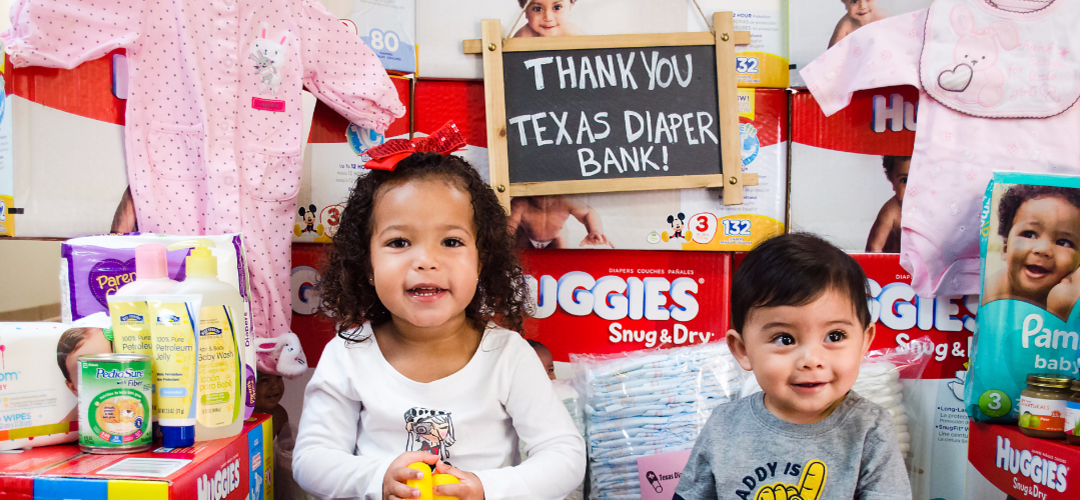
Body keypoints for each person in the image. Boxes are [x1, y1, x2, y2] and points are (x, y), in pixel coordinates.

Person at [292, 152, 586, 500]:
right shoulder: (348, 354)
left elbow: (564, 455)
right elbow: (311, 459)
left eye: (451, 242)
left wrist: (488, 489)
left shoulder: (508, 356)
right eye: (399, 242)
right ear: (366, 264)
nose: (426, 261)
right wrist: (378, 478)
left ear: (481, 261)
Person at [674, 233, 910, 500]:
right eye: (784, 339)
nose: (811, 360)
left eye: (834, 336)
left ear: (864, 341)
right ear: (742, 350)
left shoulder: (870, 428)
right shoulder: (724, 425)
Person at [981, 185, 1080, 314]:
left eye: (1063, 242)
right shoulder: (990, 295)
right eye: (1029, 234)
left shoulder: (1072, 296)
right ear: (1005, 248)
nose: (1043, 249)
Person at [508, 195, 614, 249]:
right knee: (520, 262)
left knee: (559, 262)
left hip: (556, 237)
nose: (544, 199)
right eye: (539, 194)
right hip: (527, 236)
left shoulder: (566, 200)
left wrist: (595, 230)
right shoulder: (520, 203)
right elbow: (508, 228)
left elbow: (588, 213)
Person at [56, 327, 114, 422]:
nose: (102, 377)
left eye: (109, 366)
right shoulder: (66, 426)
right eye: (88, 373)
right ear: (73, 388)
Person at [865, 156, 910, 253]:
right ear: (891, 179)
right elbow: (874, 246)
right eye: (904, 180)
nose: (912, 187)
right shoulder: (891, 210)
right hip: (893, 264)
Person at [513, 0, 583, 38]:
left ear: (570, 7)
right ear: (525, 11)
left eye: (557, 7)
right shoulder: (522, 38)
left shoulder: (575, 35)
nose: (548, 18)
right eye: (537, 9)